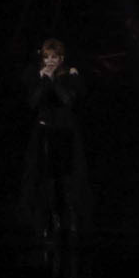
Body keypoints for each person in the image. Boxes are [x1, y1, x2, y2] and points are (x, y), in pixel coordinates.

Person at [19, 38, 91, 247]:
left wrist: (54, 81)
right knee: (41, 177)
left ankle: (71, 224)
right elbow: (32, 103)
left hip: (65, 134)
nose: (50, 61)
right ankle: (42, 223)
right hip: (43, 133)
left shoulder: (70, 75)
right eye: (46, 57)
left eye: (54, 57)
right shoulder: (35, 75)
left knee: (66, 179)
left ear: (61, 59)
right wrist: (44, 81)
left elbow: (68, 101)